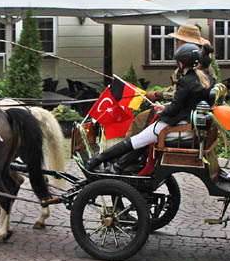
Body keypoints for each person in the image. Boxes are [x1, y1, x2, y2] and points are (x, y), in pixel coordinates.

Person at [86, 43, 213, 173]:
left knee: (136, 140)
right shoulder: (206, 78)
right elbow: (187, 103)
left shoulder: (185, 81)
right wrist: (165, 107)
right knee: (143, 140)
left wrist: (163, 110)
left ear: (182, 63)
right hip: (191, 123)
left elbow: (174, 109)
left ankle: (96, 161)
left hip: (180, 125)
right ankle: (117, 167)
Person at [146, 23, 212, 103]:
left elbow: (185, 92)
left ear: (186, 42)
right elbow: (177, 87)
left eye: (178, 39)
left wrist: (158, 95)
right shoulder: (194, 61)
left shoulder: (197, 65)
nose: (176, 42)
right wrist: (157, 93)